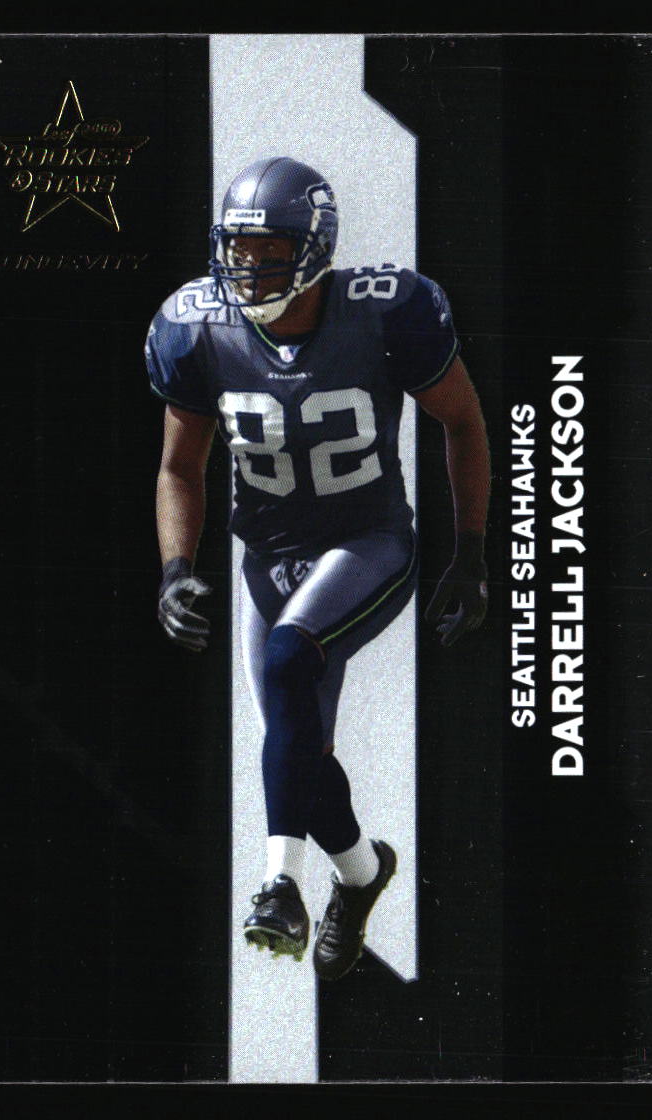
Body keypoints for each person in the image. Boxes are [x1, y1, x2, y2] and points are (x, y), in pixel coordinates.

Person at [146, 156, 490, 981]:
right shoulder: (196, 326)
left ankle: (279, 887)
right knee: (299, 746)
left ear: (314, 249)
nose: (248, 268)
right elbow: (179, 468)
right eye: (238, 249)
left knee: (287, 661)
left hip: (367, 543)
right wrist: (174, 567)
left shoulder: (386, 312)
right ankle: (363, 875)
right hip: (267, 555)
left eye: (269, 251)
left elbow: (464, 421)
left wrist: (472, 552)